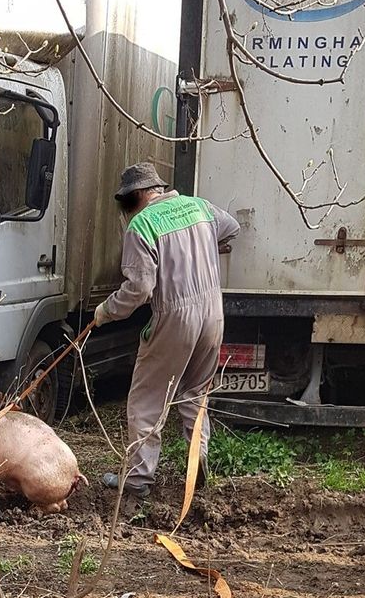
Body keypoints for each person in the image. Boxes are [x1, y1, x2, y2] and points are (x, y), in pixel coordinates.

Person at [94, 161, 239, 502]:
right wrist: (202, 250)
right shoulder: (199, 206)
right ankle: (196, 463)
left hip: (175, 314)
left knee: (147, 400)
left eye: (127, 202)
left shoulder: (142, 225)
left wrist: (105, 311)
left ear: (140, 195)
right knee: (195, 393)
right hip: (212, 311)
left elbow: (139, 289)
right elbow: (231, 229)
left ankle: (137, 479)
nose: (127, 210)